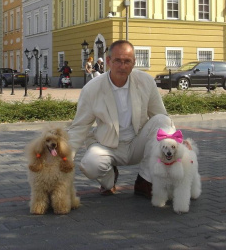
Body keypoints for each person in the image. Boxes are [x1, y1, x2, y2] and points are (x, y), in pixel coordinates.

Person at [68, 40, 171, 198]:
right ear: (108, 61)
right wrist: (64, 157)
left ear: (134, 63)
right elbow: (79, 127)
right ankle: (109, 177)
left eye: (127, 61)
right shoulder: (92, 89)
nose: (122, 66)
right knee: (89, 165)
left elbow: (161, 117)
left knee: (162, 121)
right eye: (117, 61)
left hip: (138, 142)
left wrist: (177, 142)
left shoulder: (146, 82)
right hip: (108, 146)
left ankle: (145, 180)